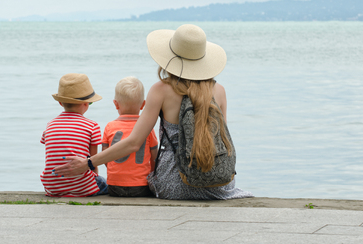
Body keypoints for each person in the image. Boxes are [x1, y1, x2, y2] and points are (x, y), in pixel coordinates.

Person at [53, 24, 253, 200]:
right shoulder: (220, 91)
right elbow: (222, 141)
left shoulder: (161, 90)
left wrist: (88, 163)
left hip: (175, 187)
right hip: (220, 186)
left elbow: (134, 142)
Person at [40, 73, 108, 197]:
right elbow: (93, 161)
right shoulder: (92, 126)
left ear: (60, 103)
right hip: (83, 186)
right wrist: (95, 177)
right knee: (108, 184)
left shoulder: (50, 125)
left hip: (52, 187)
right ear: (86, 103)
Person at [102, 76, 158, 197]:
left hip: (114, 186)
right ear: (143, 105)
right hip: (141, 187)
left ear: (116, 104)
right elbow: (154, 158)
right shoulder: (148, 128)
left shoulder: (109, 127)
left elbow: (105, 158)